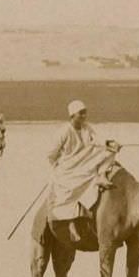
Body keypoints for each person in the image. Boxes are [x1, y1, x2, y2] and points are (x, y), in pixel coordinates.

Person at [46, 100, 120, 242]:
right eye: (81, 113)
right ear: (72, 115)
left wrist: (110, 143)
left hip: (85, 162)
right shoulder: (64, 131)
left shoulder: (87, 128)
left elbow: (98, 140)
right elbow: (51, 154)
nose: (84, 116)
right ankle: (71, 223)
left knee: (109, 152)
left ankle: (102, 175)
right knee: (67, 192)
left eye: (85, 113)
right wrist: (58, 165)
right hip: (68, 167)